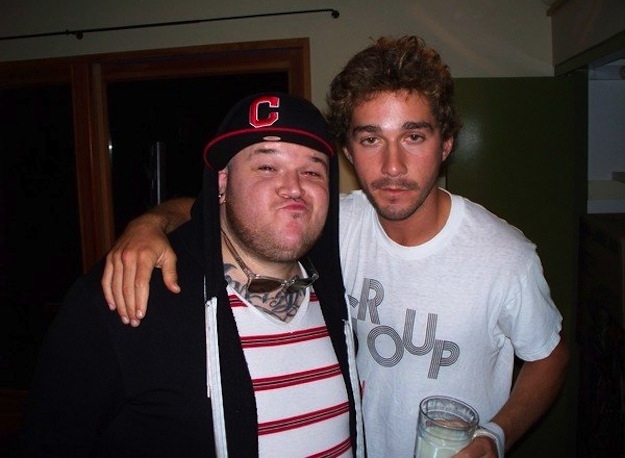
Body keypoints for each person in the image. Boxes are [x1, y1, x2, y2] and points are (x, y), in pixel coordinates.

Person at [102, 36, 570, 458]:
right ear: (348, 152)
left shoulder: (505, 257)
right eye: (371, 139)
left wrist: (497, 435)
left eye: (413, 136)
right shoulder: (332, 225)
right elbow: (220, 209)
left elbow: (550, 355)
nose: (392, 166)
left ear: (446, 144)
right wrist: (150, 224)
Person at [20, 93, 364, 457]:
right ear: (221, 182)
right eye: (267, 167)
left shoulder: (339, 287)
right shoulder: (125, 299)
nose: (294, 187)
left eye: (312, 171)